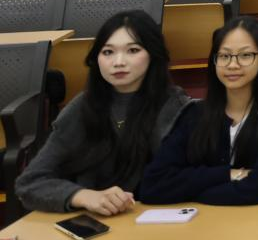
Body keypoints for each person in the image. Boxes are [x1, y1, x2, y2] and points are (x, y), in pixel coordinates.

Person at [16, 11, 190, 215]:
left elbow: (193, 175)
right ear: (96, 59)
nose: (118, 62)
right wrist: (83, 196)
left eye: (133, 50)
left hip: (158, 217)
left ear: (153, 55)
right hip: (93, 219)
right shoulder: (82, 107)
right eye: (108, 52)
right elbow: (29, 183)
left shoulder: (175, 106)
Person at [139, 17, 258, 205]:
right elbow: (152, 185)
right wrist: (228, 174)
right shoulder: (195, 114)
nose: (232, 65)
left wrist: (191, 191)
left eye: (245, 55)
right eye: (224, 56)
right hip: (204, 221)